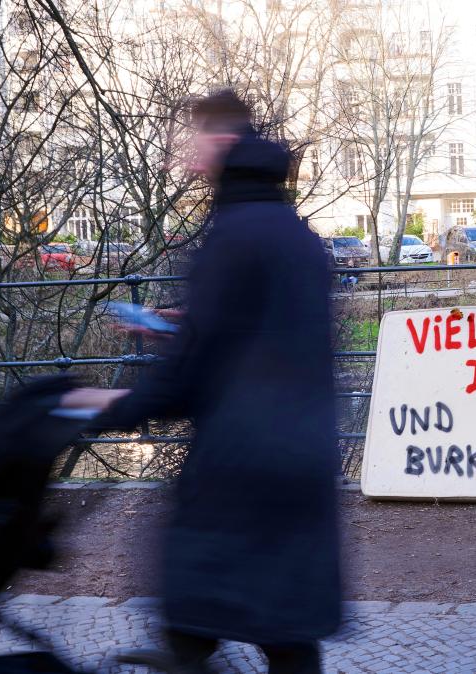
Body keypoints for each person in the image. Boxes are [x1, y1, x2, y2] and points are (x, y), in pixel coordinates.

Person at [63, 91, 341, 674]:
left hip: (238, 466)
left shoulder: (228, 235)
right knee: (289, 634)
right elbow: (272, 334)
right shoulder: (300, 237)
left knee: (190, 615)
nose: (187, 158)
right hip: (304, 460)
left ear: (219, 143)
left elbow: (186, 383)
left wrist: (103, 404)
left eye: (193, 142)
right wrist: (189, 328)